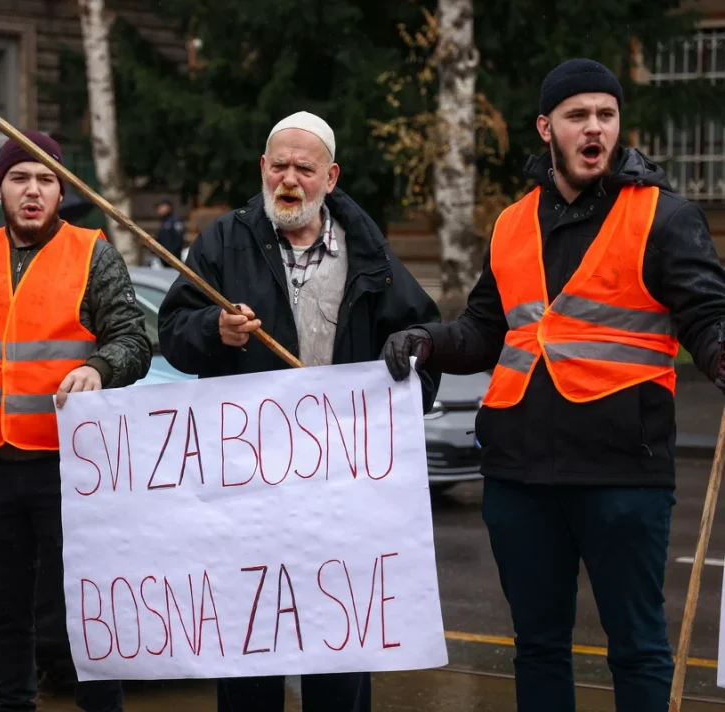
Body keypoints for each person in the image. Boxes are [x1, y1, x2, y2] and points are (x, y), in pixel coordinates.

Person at [381, 59, 725, 712]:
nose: (594, 127)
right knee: (537, 646)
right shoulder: (512, 223)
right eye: (577, 116)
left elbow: (707, 318)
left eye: (606, 114)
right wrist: (426, 341)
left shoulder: (663, 217)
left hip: (624, 471)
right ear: (547, 128)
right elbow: (487, 329)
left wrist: (720, 352)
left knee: (637, 647)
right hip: (519, 474)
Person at [158, 110, 442, 711]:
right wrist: (216, 328)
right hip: (248, 496)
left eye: (304, 169)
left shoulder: (368, 250)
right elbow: (175, 333)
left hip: (338, 496)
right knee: (250, 652)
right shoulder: (222, 241)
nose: (290, 179)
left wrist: (405, 365)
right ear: (263, 168)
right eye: (279, 165)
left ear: (330, 177)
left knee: (337, 655)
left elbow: (423, 336)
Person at [0, 131, 152, 712]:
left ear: (61, 190)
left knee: (81, 609)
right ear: (0, 188)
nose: (33, 191)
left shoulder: (91, 252)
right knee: (5, 613)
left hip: (68, 470)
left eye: (46, 180)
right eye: (21, 178)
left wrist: (100, 367)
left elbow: (133, 340)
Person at [149, 199, 185, 267]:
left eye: (161, 207)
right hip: (163, 258)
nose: (158, 209)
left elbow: (178, 240)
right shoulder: (164, 221)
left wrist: (170, 255)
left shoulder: (175, 221)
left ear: (168, 207)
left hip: (172, 259)